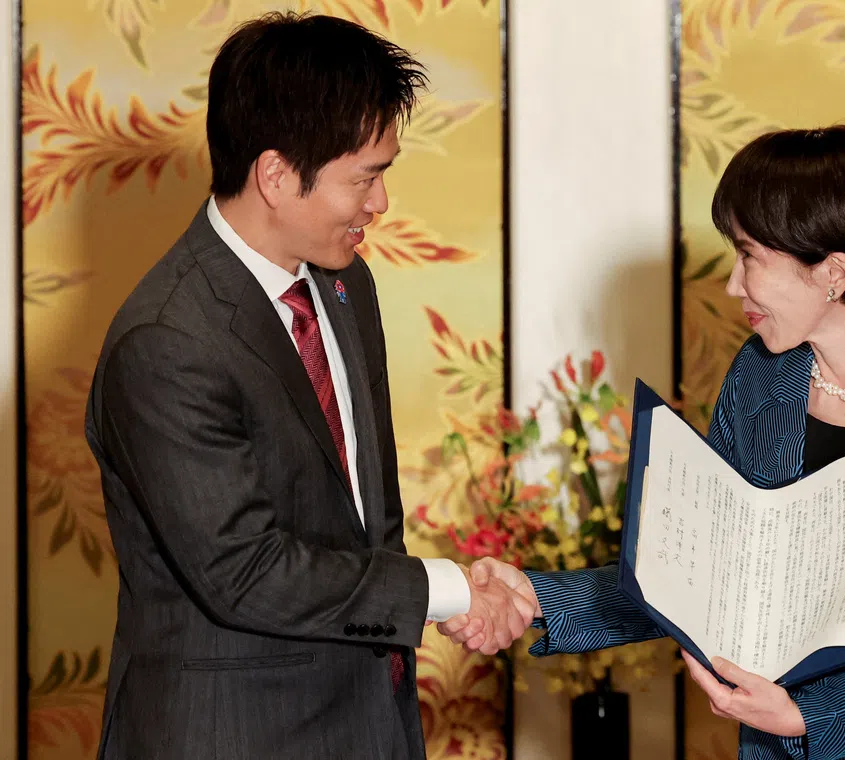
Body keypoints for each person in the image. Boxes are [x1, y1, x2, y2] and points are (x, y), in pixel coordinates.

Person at [441, 125, 845, 758]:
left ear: (834, 274)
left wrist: (808, 715)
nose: (734, 285)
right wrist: (536, 595)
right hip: (778, 736)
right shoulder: (764, 375)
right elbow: (704, 577)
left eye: (750, 257)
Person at [84, 12, 532, 760]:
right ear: (275, 174)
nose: (381, 204)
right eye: (366, 176)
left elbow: (366, 520)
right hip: (232, 735)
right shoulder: (167, 341)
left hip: (370, 723)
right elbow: (245, 569)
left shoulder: (344, 284)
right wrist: (446, 591)